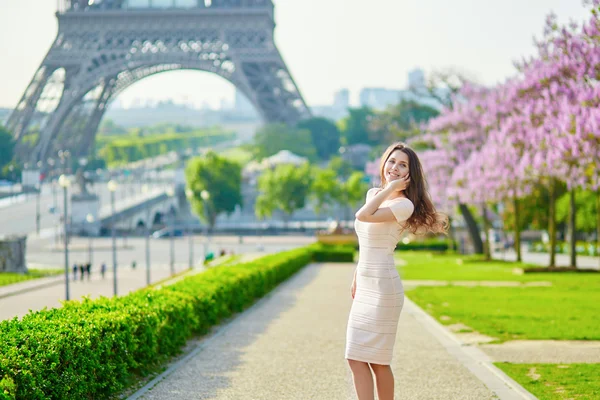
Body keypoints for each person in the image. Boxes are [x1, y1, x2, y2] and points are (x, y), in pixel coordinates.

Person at [346, 142, 448, 400]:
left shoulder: (404, 206)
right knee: (355, 357)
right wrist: (358, 273)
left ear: (409, 174)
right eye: (392, 161)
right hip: (366, 285)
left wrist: (391, 188)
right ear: (384, 163)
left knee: (378, 361)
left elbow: (363, 216)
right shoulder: (373, 194)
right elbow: (366, 239)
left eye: (402, 164)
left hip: (384, 289)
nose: (395, 167)